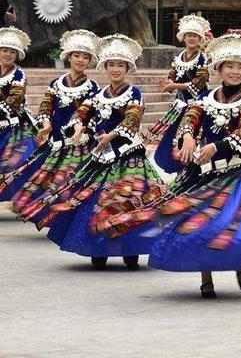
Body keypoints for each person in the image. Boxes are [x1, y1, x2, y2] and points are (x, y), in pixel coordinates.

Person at [92, 33, 241, 298]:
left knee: (234, 219)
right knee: (198, 220)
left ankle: (239, 265)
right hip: (203, 171)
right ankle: (206, 279)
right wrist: (187, 136)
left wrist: (213, 147)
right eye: (229, 66)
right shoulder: (206, 98)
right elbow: (190, 119)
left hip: (235, 170)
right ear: (218, 68)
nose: (235, 71)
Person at [32, 34, 166, 270]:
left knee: (128, 199)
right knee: (96, 200)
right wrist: (78, 127)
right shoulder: (97, 95)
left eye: (120, 65)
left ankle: (130, 250)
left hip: (127, 156)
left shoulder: (134, 92)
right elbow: (81, 113)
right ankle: (99, 248)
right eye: (111, 64)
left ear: (128, 68)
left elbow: (133, 119)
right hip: (102, 156)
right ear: (104, 67)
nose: (115, 69)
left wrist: (110, 136)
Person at [0, 30, 100, 217]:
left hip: (78, 141)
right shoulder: (56, 83)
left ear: (89, 61)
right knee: (45, 175)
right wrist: (45, 124)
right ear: (68, 57)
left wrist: (79, 127)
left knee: (70, 178)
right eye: (76, 55)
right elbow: (46, 105)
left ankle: (67, 217)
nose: (80, 60)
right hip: (54, 139)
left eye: (85, 57)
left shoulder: (93, 87)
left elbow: (88, 110)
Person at [148, 14, 211, 174]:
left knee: (192, 134)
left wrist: (175, 85)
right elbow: (172, 75)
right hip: (180, 103)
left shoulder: (203, 58)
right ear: (183, 37)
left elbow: (200, 82)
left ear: (200, 39)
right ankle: (175, 166)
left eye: (195, 36)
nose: (192, 38)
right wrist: (168, 85)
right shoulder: (179, 57)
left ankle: (191, 169)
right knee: (171, 134)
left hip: (198, 103)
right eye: (189, 35)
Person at [0, 27, 36, 178]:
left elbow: (14, 100)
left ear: (17, 55)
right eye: (5, 50)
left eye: (12, 52)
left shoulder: (19, 74)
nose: (8, 54)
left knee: (12, 163)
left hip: (14, 125)